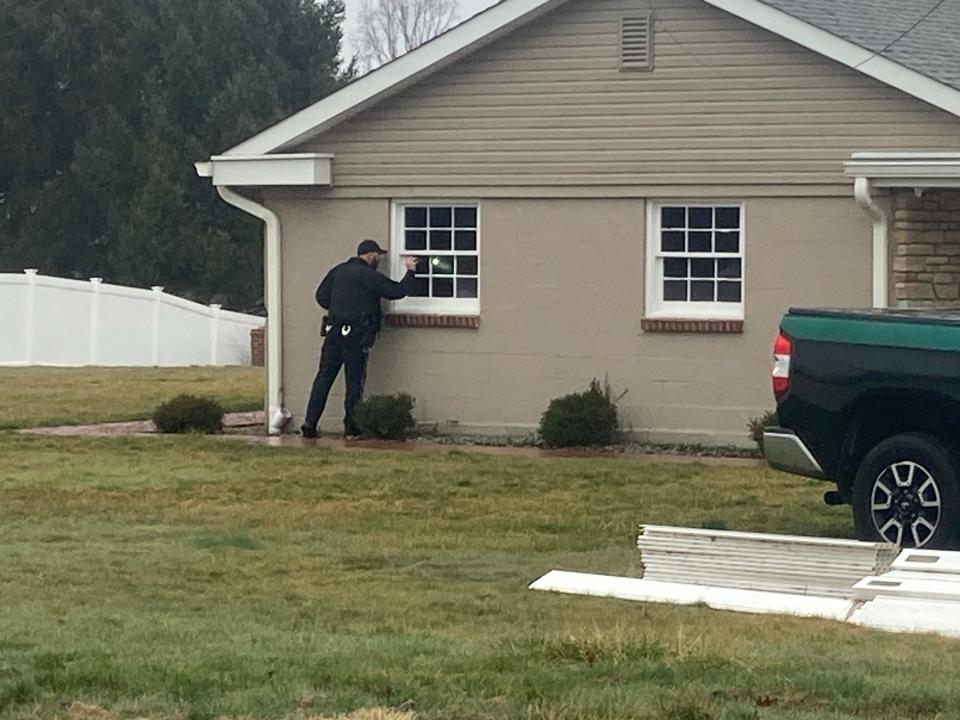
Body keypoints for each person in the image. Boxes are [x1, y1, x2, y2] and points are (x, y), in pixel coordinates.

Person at [301, 239, 418, 438]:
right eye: (378, 257)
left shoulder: (338, 271)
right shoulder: (368, 275)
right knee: (354, 383)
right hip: (356, 334)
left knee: (323, 378)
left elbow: (321, 296)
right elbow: (396, 291)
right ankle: (351, 428)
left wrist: (340, 308)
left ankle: (309, 423)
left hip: (333, 331)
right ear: (371, 255)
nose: (379, 261)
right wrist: (410, 271)